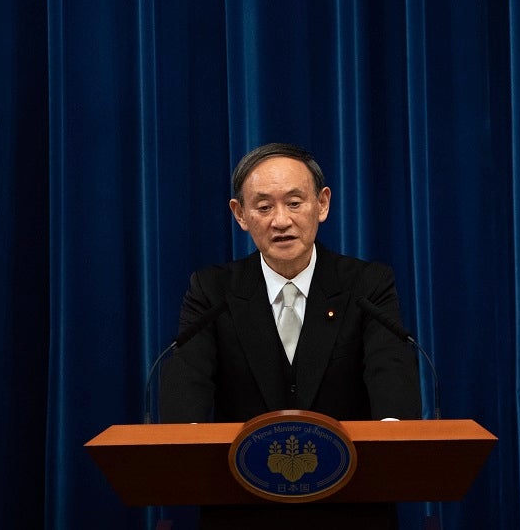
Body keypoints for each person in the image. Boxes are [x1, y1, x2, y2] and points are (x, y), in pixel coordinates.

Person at [160, 143, 420, 528]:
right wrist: (189, 442)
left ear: (322, 204)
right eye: (264, 207)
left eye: (294, 202)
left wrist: (393, 437)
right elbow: (188, 382)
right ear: (240, 215)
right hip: (242, 508)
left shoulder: (366, 285)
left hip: (350, 507)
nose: (280, 221)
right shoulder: (212, 292)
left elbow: (390, 371)